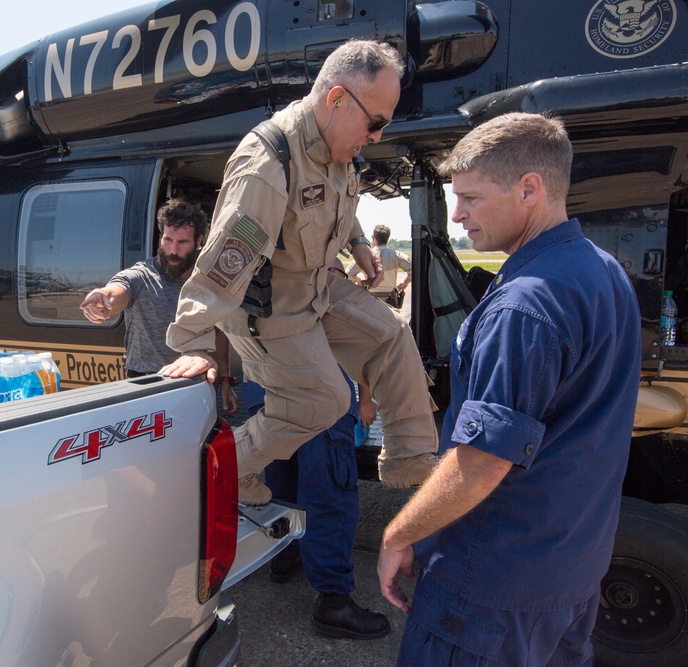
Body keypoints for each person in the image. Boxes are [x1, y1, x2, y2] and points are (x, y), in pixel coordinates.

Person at [376, 112, 640, 665]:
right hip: (571, 566)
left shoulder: (525, 305)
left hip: (489, 591)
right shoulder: (605, 272)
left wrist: (398, 534)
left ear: (529, 188)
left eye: (471, 197)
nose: (458, 214)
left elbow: (481, 462)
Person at [160, 39, 438, 503]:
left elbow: (337, 202)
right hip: (264, 306)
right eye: (375, 124)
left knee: (391, 333)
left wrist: (359, 243)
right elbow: (222, 267)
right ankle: (224, 467)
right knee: (324, 400)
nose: (377, 137)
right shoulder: (267, 164)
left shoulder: (335, 147)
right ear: (336, 100)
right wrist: (197, 345)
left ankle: (412, 464)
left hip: (314, 285)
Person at [246, 365, 390, 640]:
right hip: (318, 388)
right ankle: (334, 602)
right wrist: (365, 398)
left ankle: (284, 557)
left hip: (265, 387)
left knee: (281, 480)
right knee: (328, 495)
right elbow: (359, 338)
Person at [80, 198, 237, 413]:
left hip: (195, 381)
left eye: (182, 243)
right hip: (147, 382)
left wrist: (226, 380)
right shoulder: (144, 274)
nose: (173, 250)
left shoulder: (207, 282)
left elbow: (219, 334)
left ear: (199, 241)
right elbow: (119, 289)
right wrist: (104, 298)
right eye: (168, 239)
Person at [349, 224, 411, 308]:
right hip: (390, 300)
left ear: (374, 238)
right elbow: (413, 270)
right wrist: (405, 283)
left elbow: (348, 274)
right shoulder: (396, 255)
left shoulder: (366, 255)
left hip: (370, 301)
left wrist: (358, 280)